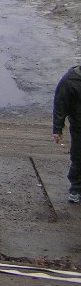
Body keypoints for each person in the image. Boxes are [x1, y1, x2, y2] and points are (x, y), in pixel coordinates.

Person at [53, 65, 81, 204]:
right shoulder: (70, 80)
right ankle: (75, 189)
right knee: (78, 157)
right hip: (79, 127)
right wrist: (57, 129)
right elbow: (60, 104)